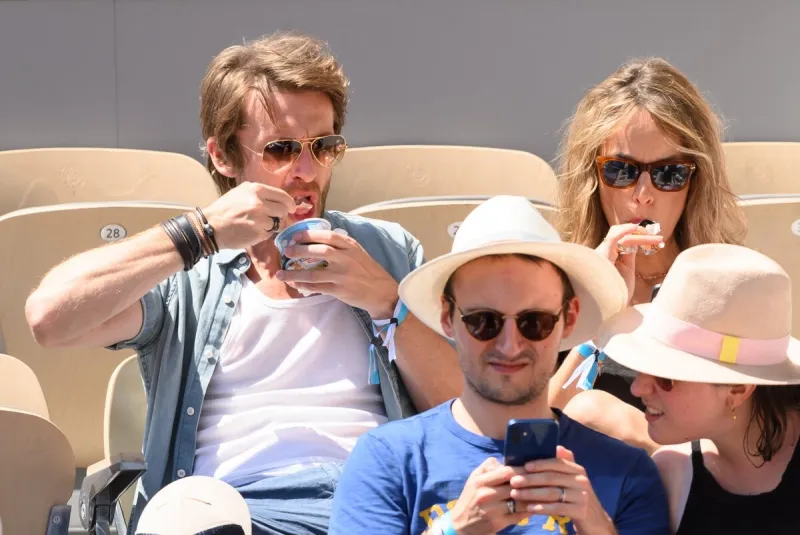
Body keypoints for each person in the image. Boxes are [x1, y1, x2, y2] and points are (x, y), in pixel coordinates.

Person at [24, 31, 460, 534]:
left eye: (324, 147)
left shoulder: (387, 251)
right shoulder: (189, 275)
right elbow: (48, 319)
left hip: (373, 497)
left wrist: (387, 301)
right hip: (231, 509)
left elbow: (458, 413)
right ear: (223, 157)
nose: (306, 171)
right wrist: (198, 234)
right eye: (280, 150)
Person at [328, 196, 670, 535]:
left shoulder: (627, 472)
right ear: (448, 318)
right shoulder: (387, 459)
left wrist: (597, 527)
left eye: (534, 322)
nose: (510, 345)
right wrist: (454, 530)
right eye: (484, 321)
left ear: (569, 319)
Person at [548, 57, 747, 452]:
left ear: (695, 182)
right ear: (594, 179)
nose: (643, 194)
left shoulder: (726, 283)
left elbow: (748, 428)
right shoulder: (557, 282)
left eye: (669, 173)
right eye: (621, 171)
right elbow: (537, 429)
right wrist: (600, 310)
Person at [596, 243, 800, 534]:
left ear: (738, 389)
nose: (638, 388)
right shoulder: (671, 475)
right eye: (643, 368)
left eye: (666, 375)